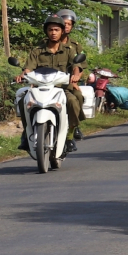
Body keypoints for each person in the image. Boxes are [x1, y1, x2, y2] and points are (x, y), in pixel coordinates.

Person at [16, 14, 84, 153]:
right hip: (40, 88)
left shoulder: (68, 50)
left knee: (72, 100)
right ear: (46, 31)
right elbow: (28, 68)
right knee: (24, 101)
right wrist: (22, 75)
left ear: (62, 31)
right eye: (50, 30)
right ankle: (26, 133)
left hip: (61, 88)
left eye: (56, 30)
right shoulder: (37, 51)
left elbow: (76, 65)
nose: (53, 33)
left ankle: (70, 136)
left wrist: (76, 75)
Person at [56, 9, 87, 140]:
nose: (66, 26)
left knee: (78, 96)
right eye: (64, 23)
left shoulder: (74, 46)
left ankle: (74, 126)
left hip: (68, 82)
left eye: (69, 24)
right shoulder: (45, 44)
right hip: (49, 82)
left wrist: (76, 79)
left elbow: (80, 66)